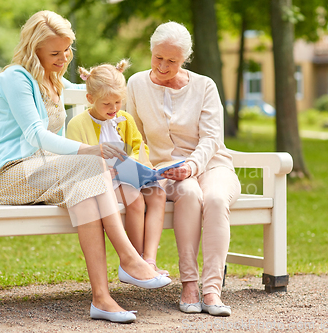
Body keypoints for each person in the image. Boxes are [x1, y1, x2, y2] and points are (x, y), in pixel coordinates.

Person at [0, 10, 170, 324]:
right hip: (9, 174)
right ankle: (129, 259)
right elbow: (37, 136)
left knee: (87, 186)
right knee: (90, 165)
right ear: (34, 49)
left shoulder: (53, 79)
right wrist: (90, 150)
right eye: (55, 52)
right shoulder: (15, 78)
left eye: (67, 49)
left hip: (45, 172)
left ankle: (102, 299)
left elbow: (83, 106)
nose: (64, 57)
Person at [126, 21, 241, 317]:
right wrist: (143, 170)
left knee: (215, 199)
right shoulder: (137, 84)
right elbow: (133, 135)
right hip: (166, 171)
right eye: (158, 58)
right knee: (190, 194)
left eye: (172, 61)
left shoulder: (204, 86)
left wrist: (191, 165)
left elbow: (212, 138)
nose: (163, 67)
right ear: (151, 51)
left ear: (184, 59)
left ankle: (212, 289)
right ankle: (189, 284)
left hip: (212, 164)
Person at [66, 60, 168, 275]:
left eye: (118, 102)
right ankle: (134, 261)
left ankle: (149, 259)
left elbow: (139, 148)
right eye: (106, 104)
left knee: (158, 193)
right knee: (135, 199)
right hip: (101, 183)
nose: (113, 109)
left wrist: (136, 166)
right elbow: (74, 159)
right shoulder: (78, 124)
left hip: (130, 176)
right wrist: (104, 169)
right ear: (90, 99)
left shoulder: (125, 120)